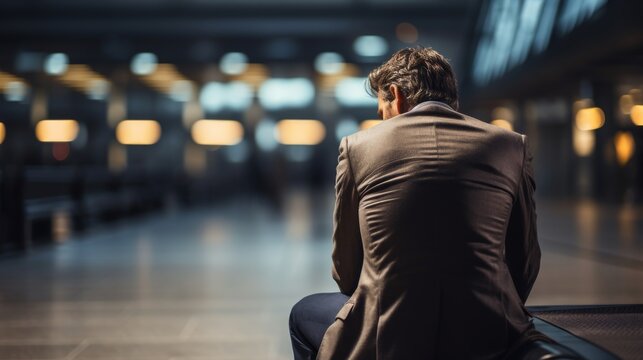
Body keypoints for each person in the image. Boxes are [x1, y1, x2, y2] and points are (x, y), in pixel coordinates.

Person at [289, 47, 541, 359]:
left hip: (390, 337)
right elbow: (526, 262)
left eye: (381, 111)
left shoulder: (357, 147)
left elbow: (345, 270)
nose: (382, 120)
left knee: (303, 314)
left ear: (395, 94)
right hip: (487, 332)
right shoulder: (511, 145)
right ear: (453, 98)